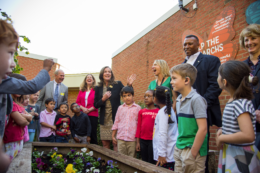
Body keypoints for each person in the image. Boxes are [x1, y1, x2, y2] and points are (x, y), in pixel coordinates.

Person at [182, 34, 222, 172]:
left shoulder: (211, 60)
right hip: (184, 116)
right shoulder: (181, 66)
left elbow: (215, 85)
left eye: (190, 44)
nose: (187, 46)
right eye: (185, 44)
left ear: (199, 45)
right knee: (185, 154)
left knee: (200, 155)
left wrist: (200, 105)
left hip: (202, 112)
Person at [216, 60, 260, 172]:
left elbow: (248, 135)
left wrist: (222, 137)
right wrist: (223, 130)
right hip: (232, 152)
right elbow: (235, 126)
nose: (217, 78)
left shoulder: (240, 103)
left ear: (224, 82)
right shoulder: (233, 101)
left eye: (218, 75)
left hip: (241, 156)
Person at [171, 63, 208, 173]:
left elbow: (203, 129)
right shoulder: (178, 100)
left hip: (192, 149)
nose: (171, 82)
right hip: (179, 148)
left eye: (174, 78)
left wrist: (193, 153)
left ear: (186, 80)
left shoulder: (196, 99)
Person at [94, 66, 136, 150]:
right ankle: (107, 162)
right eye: (105, 71)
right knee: (105, 144)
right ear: (102, 74)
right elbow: (95, 105)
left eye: (109, 71)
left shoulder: (118, 84)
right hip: (104, 120)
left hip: (115, 119)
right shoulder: (98, 87)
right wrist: (103, 99)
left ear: (111, 74)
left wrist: (129, 85)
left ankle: (115, 163)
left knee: (116, 144)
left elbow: (127, 93)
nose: (107, 73)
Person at [240, 24, 260, 151]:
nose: (249, 42)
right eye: (246, 40)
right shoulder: (241, 67)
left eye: (253, 38)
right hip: (248, 120)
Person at [153, 86, 178, 171]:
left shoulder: (164, 112)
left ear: (155, 99)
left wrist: (161, 154)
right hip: (167, 154)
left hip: (166, 156)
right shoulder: (168, 110)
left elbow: (163, 133)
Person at [111, 86, 141, 157]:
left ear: (133, 95)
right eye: (124, 96)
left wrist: (138, 142)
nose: (127, 98)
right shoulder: (120, 108)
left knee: (132, 160)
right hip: (121, 138)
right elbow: (116, 122)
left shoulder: (138, 108)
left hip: (132, 139)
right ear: (122, 97)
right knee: (121, 159)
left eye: (129, 95)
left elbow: (139, 125)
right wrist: (113, 136)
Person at [3, 93, 32, 160]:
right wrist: (25, 119)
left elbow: (29, 118)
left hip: (19, 138)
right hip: (11, 139)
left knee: (16, 161)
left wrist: (21, 116)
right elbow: (22, 121)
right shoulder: (11, 104)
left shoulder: (19, 105)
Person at [135, 89, 159, 164]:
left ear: (154, 98)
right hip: (142, 140)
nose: (146, 98)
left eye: (149, 96)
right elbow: (138, 127)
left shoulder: (158, 111)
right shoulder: (141, 111)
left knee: (151, 161)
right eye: (145, 96)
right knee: (144, 161)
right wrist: (138, 142)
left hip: (153, 141)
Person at [76, 74, 98, 144]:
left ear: (93, 80)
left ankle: (94, 152)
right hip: (82, 114)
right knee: (83, 133)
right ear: (85, 80)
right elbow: (77, 102)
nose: (89, 78)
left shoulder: (96, 90)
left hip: (93, 114)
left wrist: (89, 110)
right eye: (87, 77)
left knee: (92, 133)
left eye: (90, 77)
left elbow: (98, 102)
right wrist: (83, 108)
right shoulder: (81, 90)